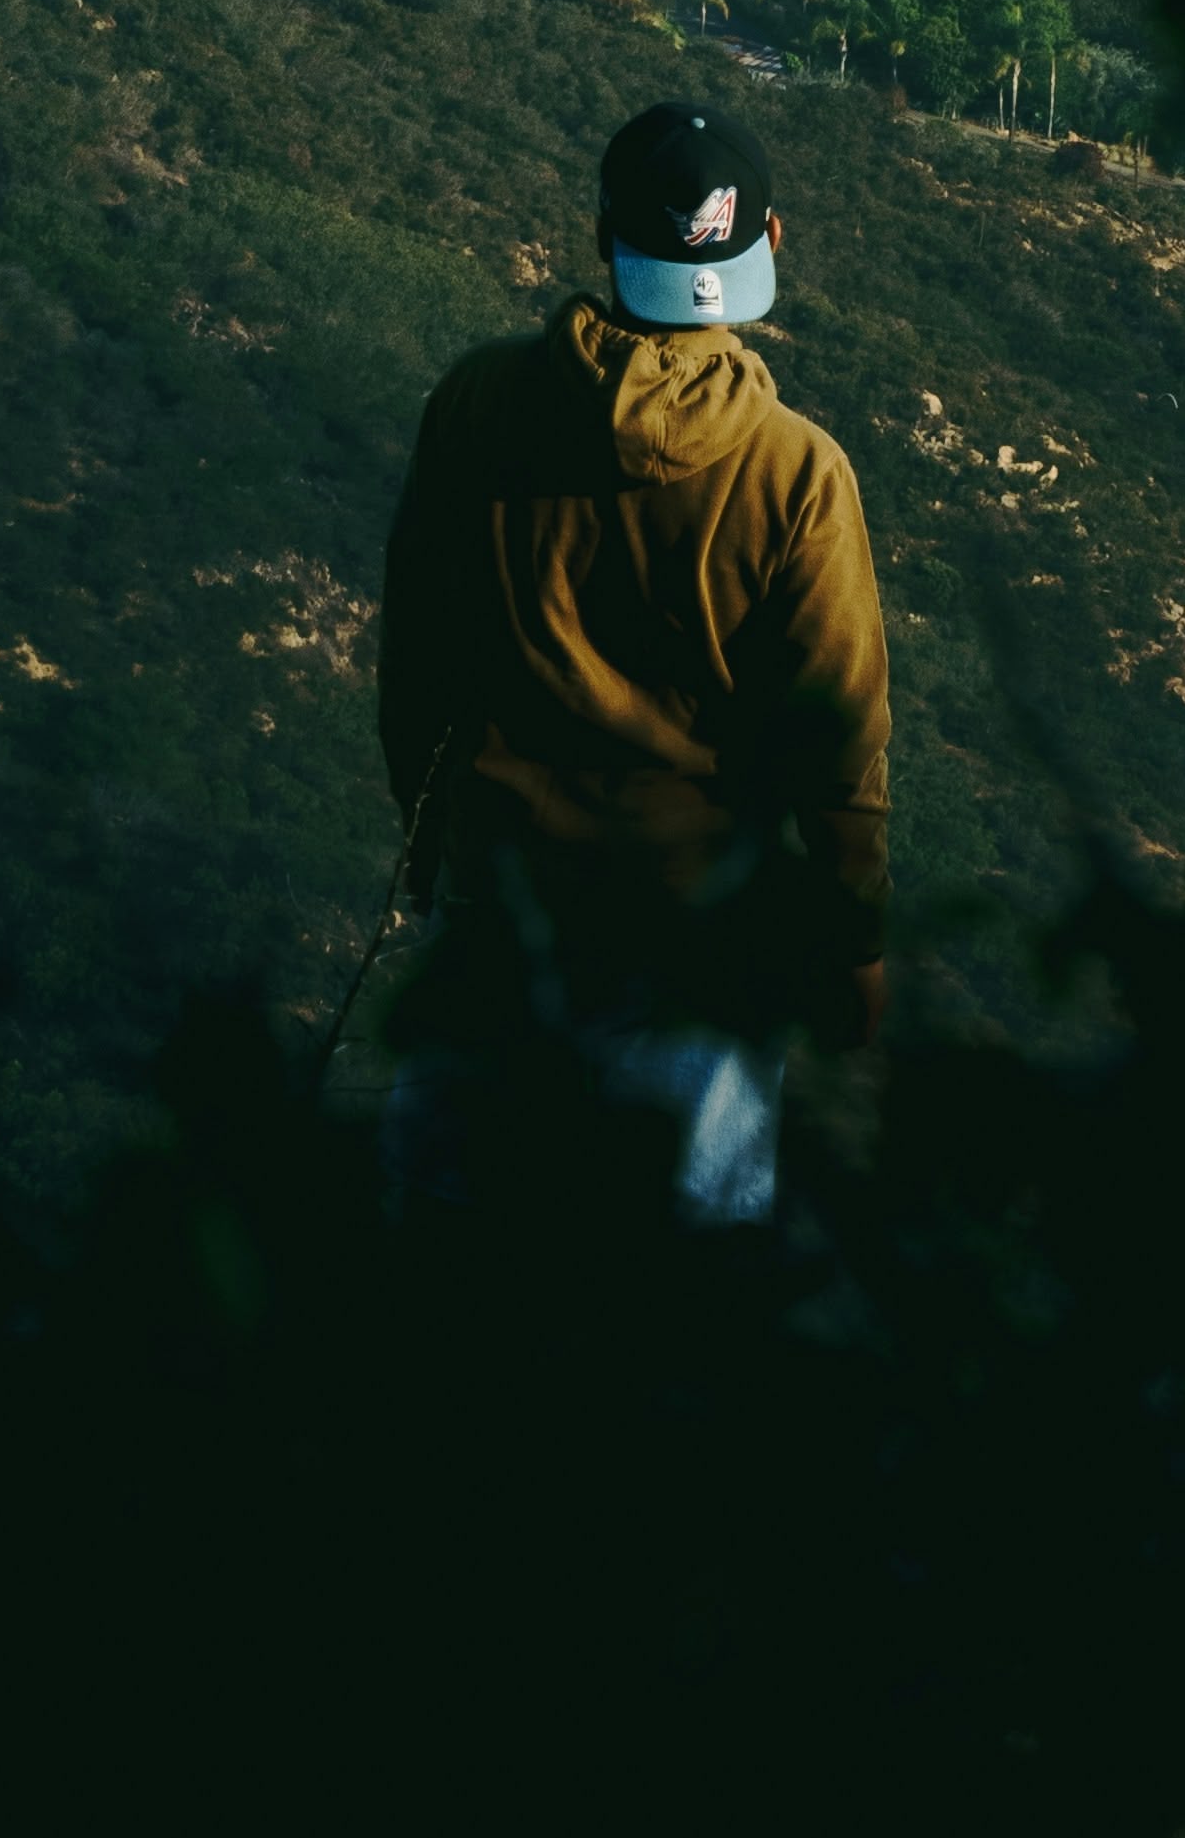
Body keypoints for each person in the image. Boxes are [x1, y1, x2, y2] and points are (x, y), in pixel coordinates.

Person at [374, 101, 889, 1225]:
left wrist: (428, 852)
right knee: (679, 1331)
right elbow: (839, 747)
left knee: (440, 1292)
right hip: (699, 943)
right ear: (771, 244)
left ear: (605, 237)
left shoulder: (477, 404)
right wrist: (853, 941)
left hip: (499, 913)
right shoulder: (798, 474)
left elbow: (415, 655)